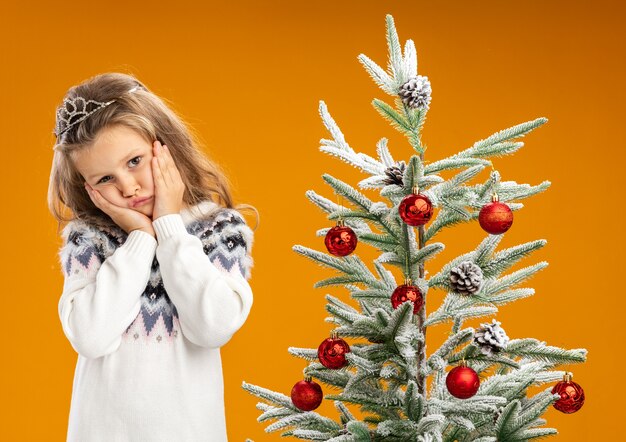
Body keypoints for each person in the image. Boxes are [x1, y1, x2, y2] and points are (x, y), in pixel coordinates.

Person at [47, 72, 258, 442]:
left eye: (134, 162)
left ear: (165, 146)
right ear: (88, 188)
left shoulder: (219, 230)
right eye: (104, 179)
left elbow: (213, 328)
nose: (128, 187)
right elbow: (90, 337)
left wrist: (169, 227)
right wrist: (141, 240)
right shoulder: (91, 238)